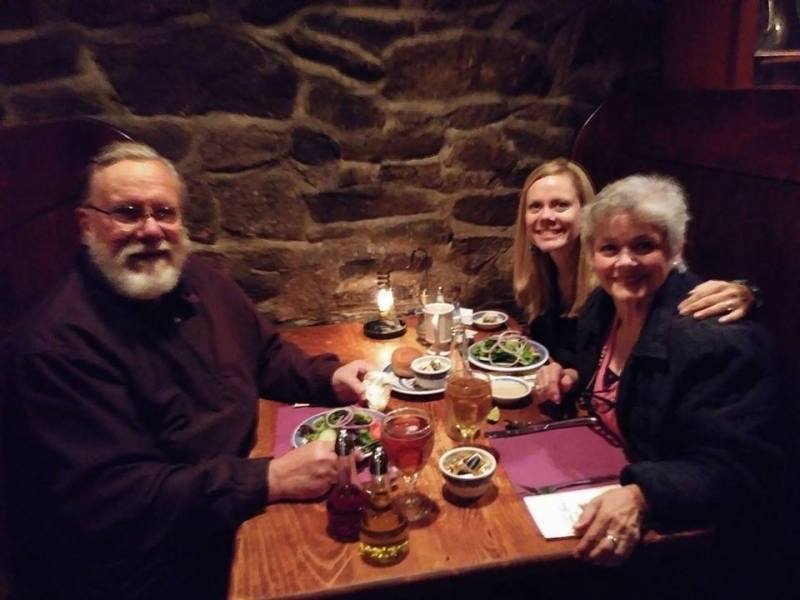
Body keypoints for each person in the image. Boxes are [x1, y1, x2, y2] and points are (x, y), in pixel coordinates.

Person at [3, 142, 372, 600]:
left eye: (164, 212)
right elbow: (116, 498)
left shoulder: (201, 280)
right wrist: (269, 479)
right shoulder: (55, 347)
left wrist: (327, 377)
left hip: (233, 502)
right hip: (157, 561)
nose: (150, 229)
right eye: (127, 213)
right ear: (86, 224)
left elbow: (266, 354)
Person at [542, 174, 788, 583]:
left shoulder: (715, 341)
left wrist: (644, 495)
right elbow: (592, 366)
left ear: (675, 249)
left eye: (643, 246)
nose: (624, 262)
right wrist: (566, 372)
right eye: (609, 248)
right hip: (595, 480)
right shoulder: (604, 305)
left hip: (693, 553)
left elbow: (746, 469)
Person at [511, 159, 756, 403]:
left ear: (585, 212)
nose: (546, 216)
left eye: (560, 205)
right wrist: (570, 376)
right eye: (535, 207)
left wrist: (748, 293)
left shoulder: (613, 286)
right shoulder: (550, 278)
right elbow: (586, 366)